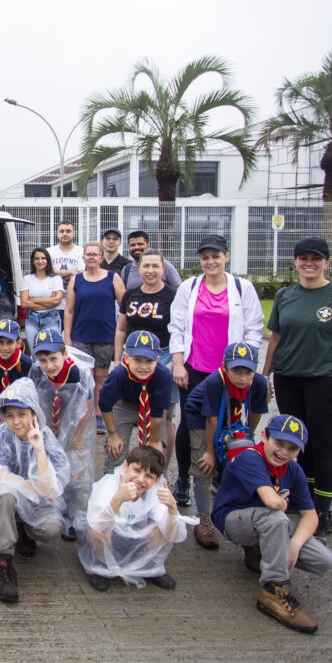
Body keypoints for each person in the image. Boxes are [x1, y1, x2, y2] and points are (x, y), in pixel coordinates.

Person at [261, 236, 332, 537]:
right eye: (303, 258)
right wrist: (265, 375)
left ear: (327, 262)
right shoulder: (285, 295)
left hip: (324, 379)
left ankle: (322, 510)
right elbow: (276, 339)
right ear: (295, 261)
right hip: (288, 378)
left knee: (322, 445)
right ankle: (302, 500)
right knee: (295, 444)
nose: (309, 263)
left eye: (316, 258)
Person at [212, 415, 332, 634]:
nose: (284, 452)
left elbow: (311, 516)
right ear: (264, 436)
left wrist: (295, 544)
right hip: (234, 521)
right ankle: (274, 590)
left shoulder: (293, 470)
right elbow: (272, 502)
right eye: (279, 443)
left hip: (269, 524)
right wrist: (281, 503)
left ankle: (261, 550)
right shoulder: (249, 458)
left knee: (325, 560)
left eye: (292, 448)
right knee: (277, 517)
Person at [168, 234, 264, 508]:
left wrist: (245, 367)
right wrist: (178, 364)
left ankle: (223, 474)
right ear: (200, 260)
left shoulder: (242, 287)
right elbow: (177, 328)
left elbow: (254, 329)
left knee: (228, 423)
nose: (210, 261)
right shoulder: (190, 287)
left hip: (229, 371)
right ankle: (185, 479)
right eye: (205, 257)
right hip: (195, 367)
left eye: (216, 256)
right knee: (190, 425)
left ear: (226, 257)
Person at [0, 384, 70, 604]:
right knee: (4, 493)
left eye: (22, 415)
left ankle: (23, 528)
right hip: (9, 500)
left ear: (34, 413)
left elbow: (51, 487)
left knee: (52, 528)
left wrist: (39, 449)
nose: (16, 421)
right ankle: (2, 562)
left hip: (38, 503)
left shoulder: (46, 439)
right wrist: (34, 489)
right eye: (10, 416)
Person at [182, 342, 268, 550]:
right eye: (236, 371)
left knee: (239, 453)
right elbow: (211, 420)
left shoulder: (260, 383)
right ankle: (204, 519)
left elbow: (255, 413)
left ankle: (231, 499)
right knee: (204, 463)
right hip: (201, 416)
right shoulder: (214, 382)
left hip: (232, 413)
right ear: (224, 366)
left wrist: (247, 436)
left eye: (248, 372)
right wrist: (211, 452)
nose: (242, 378)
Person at [78, 445, 196, 591]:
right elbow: (98, 525)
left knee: (163, 526)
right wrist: (118, 500)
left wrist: (173, 509)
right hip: (110, 537)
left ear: (157, 480)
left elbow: (175, 535)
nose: (140, 480)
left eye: (149, 476)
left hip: (135, 538)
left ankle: (150, 566)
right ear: (125, 466)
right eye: (137, 470)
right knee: (96, 530)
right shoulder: (108, 483)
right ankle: (100, 567)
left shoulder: (157, 491)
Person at [26, 329, 96, 541]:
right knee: (46, 464)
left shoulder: (78, 373)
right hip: (48, 424)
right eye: (43, 359)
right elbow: (34, 402)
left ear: (65, 355)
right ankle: (48, 507)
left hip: (74, 422)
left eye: (53, 358)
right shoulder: (37, 372)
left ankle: (72, 513)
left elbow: (85, 409)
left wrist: (73, 438)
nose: (49, 365)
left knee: (75, 470)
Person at [114, 248, 179, 466]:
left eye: (155, 266)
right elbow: (122, 329)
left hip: (163, 357)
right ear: (139, 268)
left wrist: (173, 364)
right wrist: (117, 360)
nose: (150, 271)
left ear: (163, 268)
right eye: (145, 266)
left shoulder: (172, 295)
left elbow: (181, 331)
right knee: (127, 408)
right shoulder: (131, 294)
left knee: (164, 416)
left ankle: (161, 468)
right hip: (132, 359)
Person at [99, 330, 170, 473]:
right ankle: (113, 485)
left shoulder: (163, 375)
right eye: (137, 360)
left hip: (151, 408)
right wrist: (113, 434)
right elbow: (105, 405)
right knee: (116, 450)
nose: (143, 367)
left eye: (149, 361)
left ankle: (151, 486)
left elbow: (157, 414)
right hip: (124, 405)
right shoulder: (118, 375)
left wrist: (155, 441)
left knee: (151, 454)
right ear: (126, 357)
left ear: (157, 360)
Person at [64, 243, 119, 402]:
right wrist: (68, 338)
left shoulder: (112, 277)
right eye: (88, 254)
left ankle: (99, 415)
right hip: (81, 336)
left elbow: (124, 307)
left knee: (101, 377)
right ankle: (84, 415)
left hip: (105, 336)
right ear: (83, 257)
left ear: (101, 257)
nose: (91, 257)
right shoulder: (76, 280)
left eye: (95, 254)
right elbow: (69, 311)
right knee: (84, 377)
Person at [0, 319, 33, 436]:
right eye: (0, 342)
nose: (5, 347)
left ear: (18, 343)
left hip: (17, 400)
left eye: (10, 342)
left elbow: (24, 393)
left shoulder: (25, 362)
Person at [112, 230, 182, 301]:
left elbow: (178, 290)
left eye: (140, 244)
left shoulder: (163, 265)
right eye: (132, 245)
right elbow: (123, 296)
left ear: (148, 246)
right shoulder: (126, 269)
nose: (136, 247)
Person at [19, 247, 64, 353]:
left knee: (51, 353)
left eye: (43, 258)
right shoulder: (27, 279)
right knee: (35, 355)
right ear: (33, 261)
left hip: (51, 318)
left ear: (47, 260)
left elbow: (57, 301)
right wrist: (49, 301)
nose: (40, 261)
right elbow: (24, 303)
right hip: (32, 320)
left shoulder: (56, 279)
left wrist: (34, 299)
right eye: (37, 258)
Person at [47, 220, 84, 297]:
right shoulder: (49, 252)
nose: (65, 234)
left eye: (68, 231)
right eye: (61, 231)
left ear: (74, 233)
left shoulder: (82, 252)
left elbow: (81, 275)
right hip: (52, 300)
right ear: (57, 233)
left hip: (75, 299)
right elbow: (46, 272)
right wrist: (71, 273)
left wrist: (55, 274)